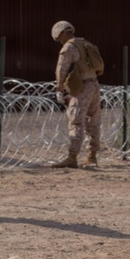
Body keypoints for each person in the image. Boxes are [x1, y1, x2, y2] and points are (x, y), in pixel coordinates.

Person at [51, 20, 102, 168]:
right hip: (94, 85)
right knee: (94, 122)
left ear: (61, 33)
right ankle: (92, 156)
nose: (59, 41)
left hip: (81, 88)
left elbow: (61, 69)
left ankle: (72, 158)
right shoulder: (86, 43)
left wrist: (60, 87)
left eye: (58, 38)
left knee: (76, 121)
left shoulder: (69, 47)